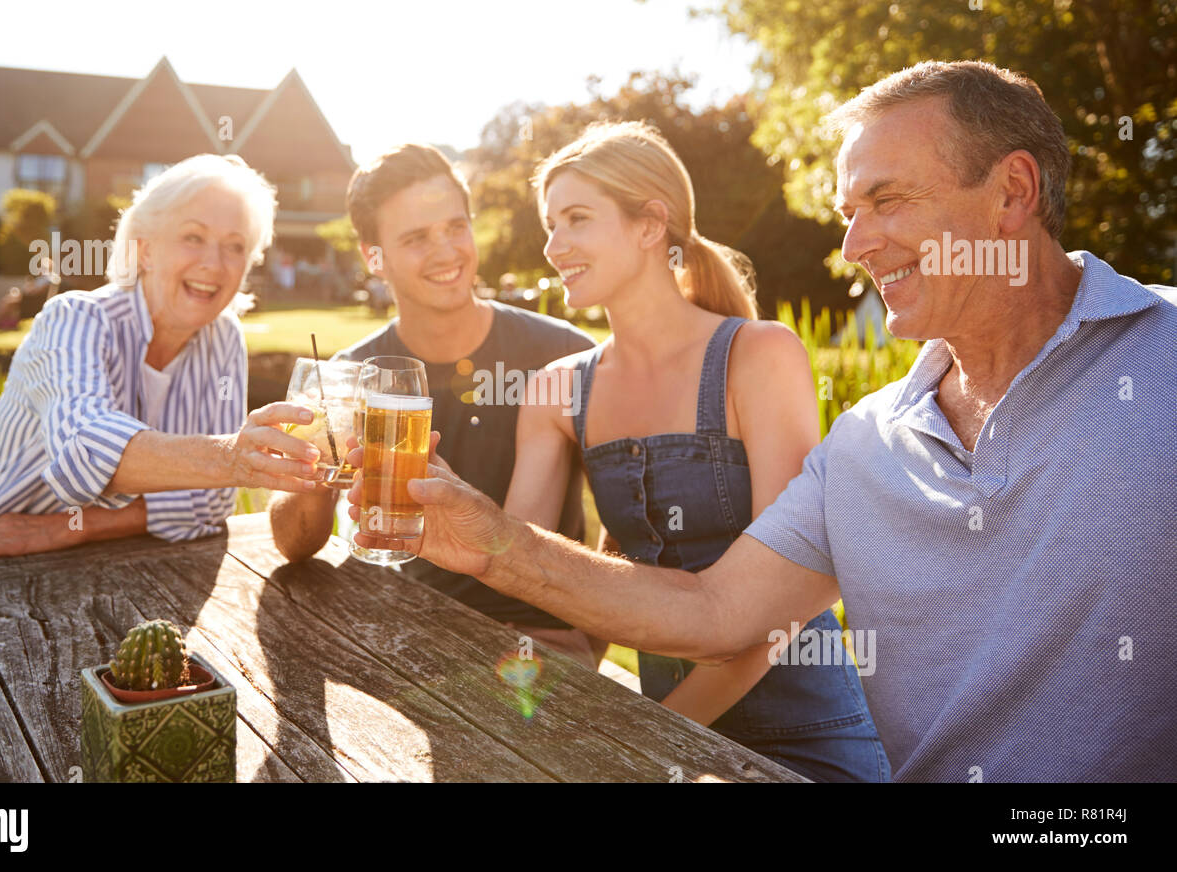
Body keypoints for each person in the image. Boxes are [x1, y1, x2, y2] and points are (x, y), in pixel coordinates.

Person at [348, 61, 1177, 781]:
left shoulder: (1161, 356)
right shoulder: (867, 445)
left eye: (885, 201)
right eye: (849, 210)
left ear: (1012, 192)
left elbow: (759, 638)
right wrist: (494, 543)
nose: (854, 244)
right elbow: (716, 614)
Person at [491, 120, 887, 781]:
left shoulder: (759, 356)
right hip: (666, 739)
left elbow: (785, 603)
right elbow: (528, 573)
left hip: (807, 737)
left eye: (577, 220)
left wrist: (653, 736)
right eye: (550, 224)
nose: (554, 246)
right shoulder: (555, 391)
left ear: (651, 225)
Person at [267, 144, 599, 667]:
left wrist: (590, 638)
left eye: (455, 227)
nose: (447, 251)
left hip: (543, 640)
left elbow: (629, 522)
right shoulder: (351, 373)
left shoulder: (565, 353)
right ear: (373, 258)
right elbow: (294, 544)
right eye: (417, 238)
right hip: (412, 625)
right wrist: (314, 464)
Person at [0, 154, 323, 559]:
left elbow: (210, 502)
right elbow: (84, 453)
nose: (214, 263)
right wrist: (232, 459)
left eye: (235, 246)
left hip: (115, 568)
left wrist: (72, 529)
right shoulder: (74, 319)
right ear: (145, 250)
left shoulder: (222, 334)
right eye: (193, 237)